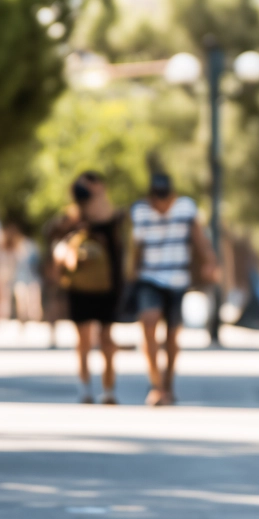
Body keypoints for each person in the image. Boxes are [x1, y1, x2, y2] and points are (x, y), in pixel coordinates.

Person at [129, 172, 217, 406]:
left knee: (172, 336)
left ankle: (168, 383)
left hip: (178, 278)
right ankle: (156, 384)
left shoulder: (186, 208)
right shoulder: (140, 211)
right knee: (148, 323)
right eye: (157, 197)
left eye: (165, 196)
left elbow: (199, 237)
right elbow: (134, 248)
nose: (161, 202)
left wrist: (210, 261)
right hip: (149, 277)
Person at [49, 171, 127, 404]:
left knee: (106, 338)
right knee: (83, 338)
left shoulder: (112, 216)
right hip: (80, 284)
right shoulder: (72, 217)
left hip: (107, 285)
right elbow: (54, 238)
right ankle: (85, 388)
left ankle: (109, 389)